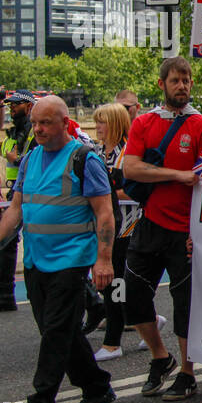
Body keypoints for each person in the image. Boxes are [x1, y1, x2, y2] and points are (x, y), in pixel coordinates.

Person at [0, 96, 116, 403]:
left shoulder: (84, 160)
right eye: (36, 123)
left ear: (65, 123)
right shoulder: (31, 159)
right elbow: (16, 208)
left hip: (71, 261)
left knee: (55, 333)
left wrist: (104, 259)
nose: (38, 129)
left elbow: (104, 212)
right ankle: (97, 388)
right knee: (60, 331)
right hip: (38, 260)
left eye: (46, 123)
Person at [122, 56, 202, 402]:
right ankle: (160, 358)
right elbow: (130, 169)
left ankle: (188, 373)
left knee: (185, 304)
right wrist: (176, 175)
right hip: (150, 224)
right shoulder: (144, 123)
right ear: (161, 84)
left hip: (186, 230)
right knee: (132, 298)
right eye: (176, 80)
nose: (182, 86)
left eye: (187, 81)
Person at [0, 90, 37, 314]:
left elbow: (37, 156)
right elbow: (7, 151)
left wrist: (19, 158)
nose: (13, 108)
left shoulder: (36, 129)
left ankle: (92, 302)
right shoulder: (13, 132)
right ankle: (4, 294)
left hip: (35, 192)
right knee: (5, 244)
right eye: (11, 105)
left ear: (30, 106)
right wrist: (16, 157)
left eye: (17, 104)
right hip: (16, 192)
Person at [92, 103, 137, 362]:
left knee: (114, 282)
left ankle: (113, 341)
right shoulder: (96, 152)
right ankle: (148, 318)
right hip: (103, 224)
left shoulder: (128, 154)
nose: (97, 126)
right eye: (97, 121)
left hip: (126, 226)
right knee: (115, 284)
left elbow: (136, 190)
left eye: (103, 121)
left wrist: (103, 194)